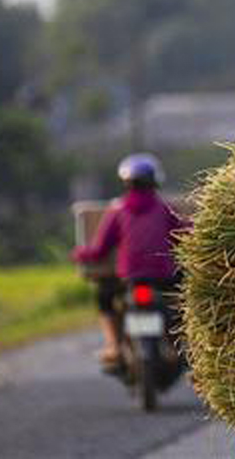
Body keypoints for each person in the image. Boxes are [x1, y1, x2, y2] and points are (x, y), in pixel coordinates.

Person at [72, 153, 190, 367]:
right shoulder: (163, 208)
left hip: (130, 278)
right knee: (182, 299)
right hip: (162, 277)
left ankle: (114, 346)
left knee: (103, 297)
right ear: (155, 180)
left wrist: (80, 253)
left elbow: (100, 249)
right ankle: (176, 345)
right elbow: (183, 234)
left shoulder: (117, 210)